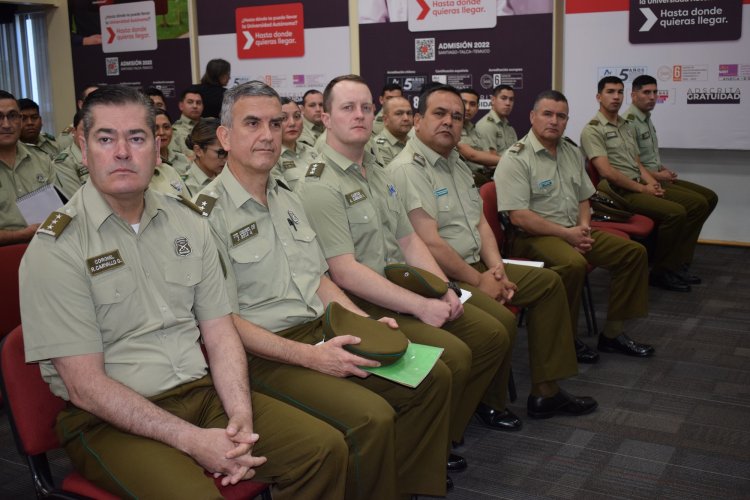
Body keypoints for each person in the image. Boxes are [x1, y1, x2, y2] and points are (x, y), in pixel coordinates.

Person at [18, 84, 348, 499]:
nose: (122, 152)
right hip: (107, 420)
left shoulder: (187, 222)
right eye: (106, 138)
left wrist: (240, 417)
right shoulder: (57, 248)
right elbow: (86, 387)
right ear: (83, 149)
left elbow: (220, 331)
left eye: (136, 138)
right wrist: (192, 439)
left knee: (323, 449)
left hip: (200, 392)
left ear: (157, 148)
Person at [196, 80, 451, 499]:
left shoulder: (287, 198)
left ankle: (399, 483)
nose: (267, 135)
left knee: (430, 377)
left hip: (322, 330)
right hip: (265, 354)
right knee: (371, 418)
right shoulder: (206, 216)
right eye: (252, 123)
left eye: (275, 123)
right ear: (224, 136)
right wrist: (312, 357)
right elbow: (225, 325)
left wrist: (367, 323)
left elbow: (319, 279)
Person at [297, 74, 509, 476]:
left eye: (365, 107)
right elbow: (344, 271)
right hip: (356, 304)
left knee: (489, 335)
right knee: (454, 358)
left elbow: (409, 240)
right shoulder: (318, 183)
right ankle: (413, 461)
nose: (359, 115)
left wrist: (443, 290)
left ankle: (435, 438)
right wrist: (421, 305)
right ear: (325, 117)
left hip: (396, 287)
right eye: (347, 108)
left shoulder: (375, 169)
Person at [388, 84, 596, 421]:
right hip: (443, 275)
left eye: (456, 117)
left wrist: (496, 269)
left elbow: (482, 224)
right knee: (501, 323)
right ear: (417, 120)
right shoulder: (407, 168)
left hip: (479, 265)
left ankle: (547, 392)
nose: (449, 123)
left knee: (548, 283)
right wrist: (481, 280)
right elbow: (431, 243)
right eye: (439, 114)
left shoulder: (454, 162)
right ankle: (488, 403)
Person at [496, 89, 654, 360]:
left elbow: (584, 196)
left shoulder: (570, 151)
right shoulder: (515, 158)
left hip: (573, 229)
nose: (554, 121)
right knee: (573, 264)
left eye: (561, 116)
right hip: (533, 236)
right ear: (533, 117)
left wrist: (582, 228)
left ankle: (613, 334)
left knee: (633, 253)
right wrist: (567, 235)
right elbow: (519, 217)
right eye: (547, 114)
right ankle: (565, 338)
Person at [581, 76, 701, 292]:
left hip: (637, 185)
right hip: (619, 193)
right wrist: (643, 188)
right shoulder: (592, 130)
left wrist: (652, 183)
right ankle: (662, 272)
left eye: (619, 92)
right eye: (610, 92)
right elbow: (607, 172)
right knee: (676, 213)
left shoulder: (625, 126)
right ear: (599, 97)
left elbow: (637, 163)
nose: (616, 97)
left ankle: (670, 266)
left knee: (690, 205)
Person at [625, 74, 717, 279]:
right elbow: (634, 165)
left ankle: (680, 259)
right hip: (643, 181)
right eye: (646, 92)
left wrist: (663, 169)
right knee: (696, 204)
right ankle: (667, 267)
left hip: (656, 176)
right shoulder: (629, 122)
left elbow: (649, 158)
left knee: (710, 197)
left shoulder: (645, 118)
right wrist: (659, 175)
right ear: (633, 95)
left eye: (655, 92)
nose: (652, 97)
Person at [0, 90, 62, 245]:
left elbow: (63, 211)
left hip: (48, 247)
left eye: (13, 116)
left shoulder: (42, 159)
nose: (6, 124)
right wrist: (19, 235)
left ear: (20, 120)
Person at [270, 97, 319, 190]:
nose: (292, 123)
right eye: (283, 118)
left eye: (297, 116)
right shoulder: (271, 158)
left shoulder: (311, 151)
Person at [456, 88, 499, 187]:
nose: (467, 108)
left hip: (484, 177)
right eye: (464, 103)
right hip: (465, 180)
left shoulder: (476, 130)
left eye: (472, 104)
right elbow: (472, 155)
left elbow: (490, 155)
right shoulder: (452, 127)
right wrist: (509, 160)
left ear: (477, 108)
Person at [184, 118, 225, 197]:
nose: (227, 159)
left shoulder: (227, 177)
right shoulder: (185, 186)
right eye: (221, 153)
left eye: (229, 152)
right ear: (198, 150)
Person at [54, 110, 89, 200]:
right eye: (85, 130)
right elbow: (79, 200)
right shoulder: (63, 163)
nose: (89, 135)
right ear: (74, 131)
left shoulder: (106, 156)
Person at [475, 84, 518, 156]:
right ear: (493, 100)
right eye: (503, 98)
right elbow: (489, 161)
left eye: (511, 99)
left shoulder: (509, 127)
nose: (508, 103)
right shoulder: (486, 125)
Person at [372, 95, 413, 167]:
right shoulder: (379, 146)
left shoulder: (413, 140)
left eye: (409, 113)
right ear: (385, 119)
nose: (406, 118)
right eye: (399, 113)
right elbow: (392, 176)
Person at [57, 84, 99, 150]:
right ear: (81, 104)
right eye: (91, 100)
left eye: (100, 101)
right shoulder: (67, 138)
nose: (96, 105)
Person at [155, 108, 191, 176]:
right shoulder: (145, 164)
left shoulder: (182, 159)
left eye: (166, 127)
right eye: (155, 128)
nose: (162, 133)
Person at [171, 85, 204, 159]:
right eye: (190, 102)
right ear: (181, 106)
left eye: (198, 103)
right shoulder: (174, 131)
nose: (195, 106)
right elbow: (175, 160)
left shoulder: (209, 125)